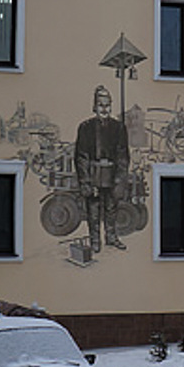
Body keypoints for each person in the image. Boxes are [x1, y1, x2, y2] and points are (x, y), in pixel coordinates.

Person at [75, 84, 130, 252]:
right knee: (93, 209)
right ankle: (95, 242)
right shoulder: (85, 127)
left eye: (107, 105)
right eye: (101, 105)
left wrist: (120, 178)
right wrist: (85, 181)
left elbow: (123, 154)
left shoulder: (119, 127)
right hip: (93, 174)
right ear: (94, 106)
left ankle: (111, 238)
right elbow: (81, 156)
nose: (104, 109)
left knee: (111, 207)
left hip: (112, 174)